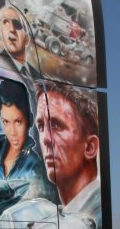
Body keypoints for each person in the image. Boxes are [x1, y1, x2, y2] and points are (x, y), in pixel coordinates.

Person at [35, 80, 100, 216]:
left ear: (90, 147)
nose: (46, 139)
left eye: (57, 126)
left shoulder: (96, 217)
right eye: (41, 126)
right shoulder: (62, 216)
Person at [0, 79, 46, 185]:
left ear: (30, 120)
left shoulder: (35, 166)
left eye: (18, 122)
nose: (12, 132)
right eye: (6, 122)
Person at [0, 5, 40, 80]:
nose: (12, 29)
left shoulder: (38, 76)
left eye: (18, 24)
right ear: (1, 34)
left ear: (27, 38)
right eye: (6, 22)